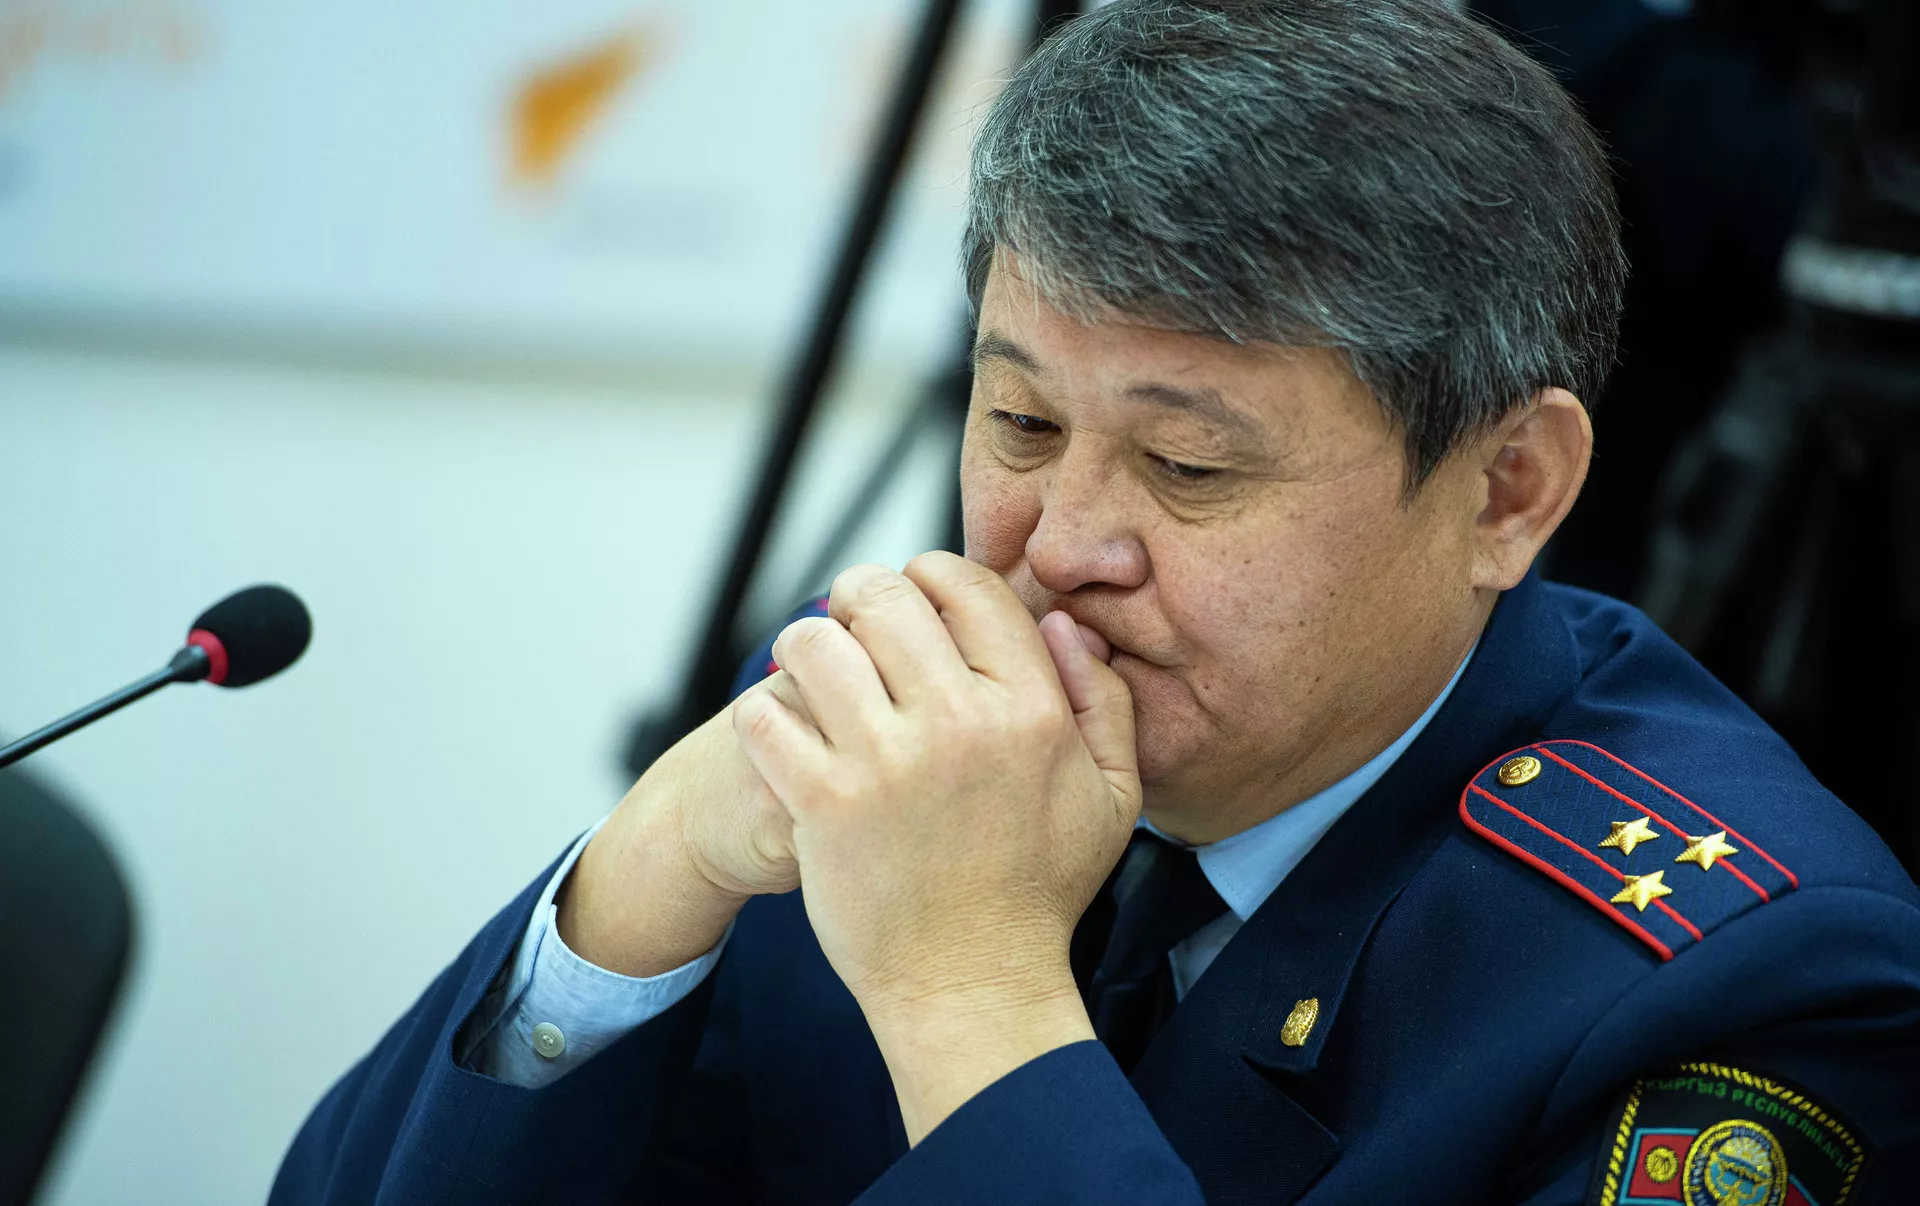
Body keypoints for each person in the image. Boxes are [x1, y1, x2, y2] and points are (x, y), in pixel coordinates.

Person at [272, 2, 1920, 1203]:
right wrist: (645, 876)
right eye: (1018, 422)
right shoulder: (903, 739)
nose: (1060, 545)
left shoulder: (1755, 982)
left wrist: (969, 995)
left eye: (1189, 467)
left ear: (1507, 491)